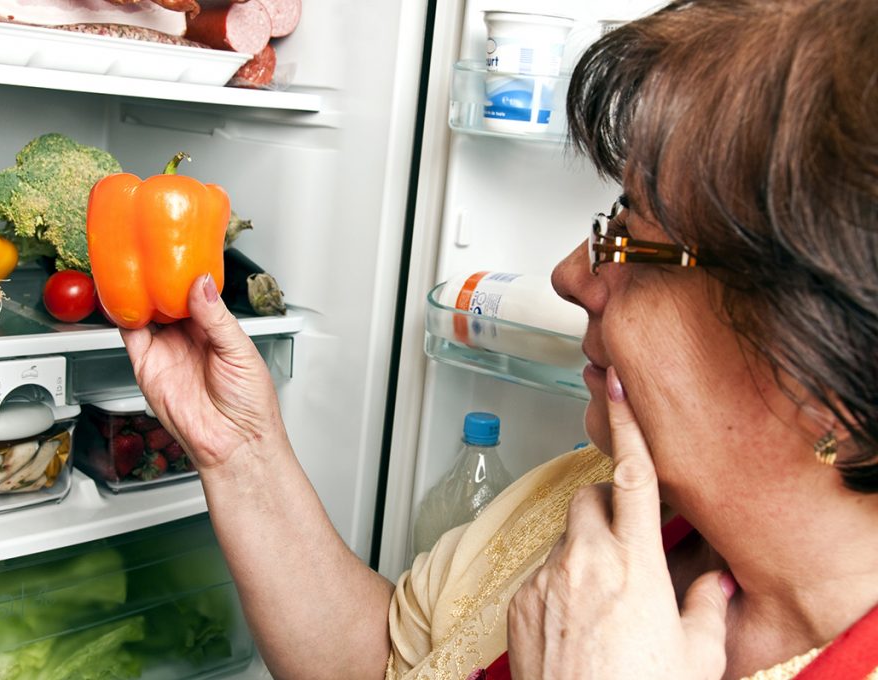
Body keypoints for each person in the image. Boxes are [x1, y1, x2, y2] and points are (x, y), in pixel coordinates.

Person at [121, 0, 878, 677]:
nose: (569, 276)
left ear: (820, 373)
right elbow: (385, 660)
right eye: (606, 221)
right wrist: (241, 450)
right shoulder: (582, 491)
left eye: (631, 244)